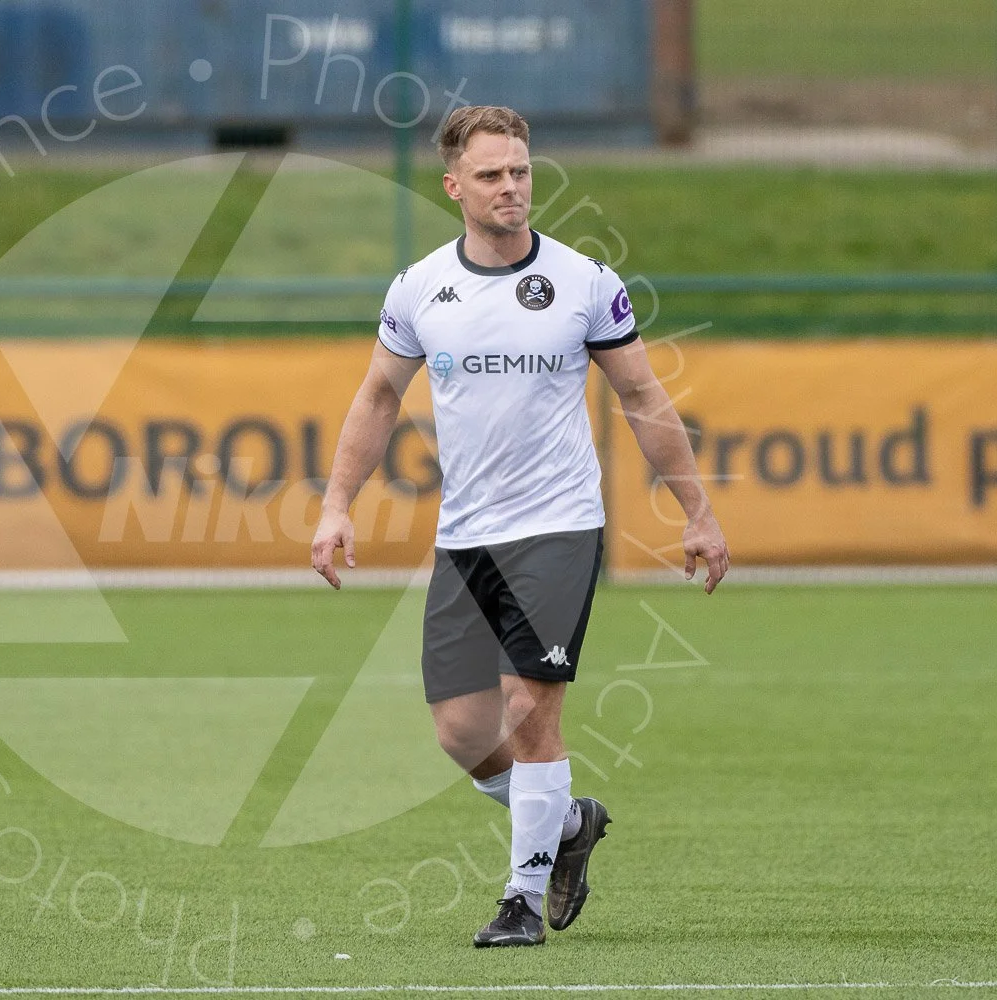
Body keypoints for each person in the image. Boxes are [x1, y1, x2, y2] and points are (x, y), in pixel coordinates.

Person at [311, 105, 729, 948]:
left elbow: (642, 398)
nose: (512, 187)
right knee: (462, 732)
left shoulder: (583, 282)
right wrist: (334, 504)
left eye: (522, 171)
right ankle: (567, 820)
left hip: (560, 530)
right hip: (466, 538)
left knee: (530, 711)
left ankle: (519, 900)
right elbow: (379, 395)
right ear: (454, 185)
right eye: (494, 174)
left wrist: (698, 512)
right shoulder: (421, 287)